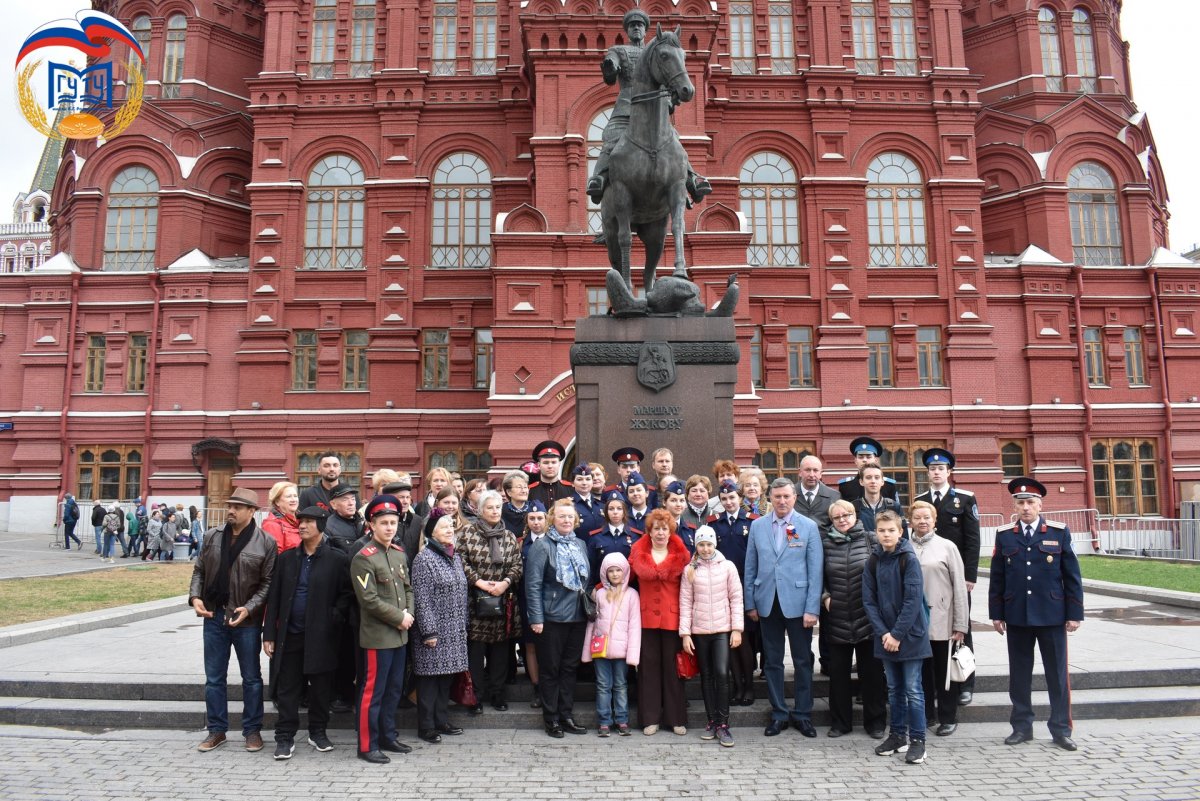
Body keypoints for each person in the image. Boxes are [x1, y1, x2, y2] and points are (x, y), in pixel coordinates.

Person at [990, 477, 1084, 751]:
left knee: (1057, 675)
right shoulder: (1005, 534)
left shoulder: (1058, 531)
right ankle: (1022, 727)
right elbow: (998, 577)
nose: (1026, 507)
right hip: (1017, 615)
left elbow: (1072, 576)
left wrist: (1074, 613)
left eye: (1031, 502)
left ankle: (1061, 729)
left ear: (1040, 505)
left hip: (1052, 614)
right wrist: (997, 613)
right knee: (1019, 675)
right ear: (1014, 506)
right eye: (1021, 503)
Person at [585, 9, 710, 207]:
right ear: (627, 30)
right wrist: (610, 67)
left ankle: (691, 180)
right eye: (632, 25)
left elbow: (669, 78)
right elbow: (610, 77)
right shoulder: (619, 51)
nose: (636, 28)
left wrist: (672, 97)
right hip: (626, 108)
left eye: (640, 25)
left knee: (673, 140)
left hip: (654, 111)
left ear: (645, 30)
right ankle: (598, 178)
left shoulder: (658, 52)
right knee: (611, 138)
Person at [189, 487, 275, 753]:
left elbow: (268, 583)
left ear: (252, 511)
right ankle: (217, 730)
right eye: (230, 505)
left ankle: (252, 731)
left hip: (246, 622)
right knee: (214, 678)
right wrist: (195, 597)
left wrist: (249, 609)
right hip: (214, 616)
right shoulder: (211, 536)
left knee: (251, 678)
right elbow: (199, 571)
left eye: (237, 507)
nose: (230, 510)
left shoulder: (265, 542)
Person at [263, 505, 353, 760]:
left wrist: (334, 617)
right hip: (290, 636)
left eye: (308, 522)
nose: (301, 525)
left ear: (321, 526)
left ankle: (318, 731)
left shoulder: (337, 559)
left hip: (322, 637)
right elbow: (275, 598)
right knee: (288, 689)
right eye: (300, 521)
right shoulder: (287, 559)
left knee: (321, 688)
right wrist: (268, 634)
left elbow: (346, 595)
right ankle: (284, 737)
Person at [743, 477, 823, 738]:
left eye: (786, 496)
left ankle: (802, 714)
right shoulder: (757, 526)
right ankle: (778, 713)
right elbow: (750, 566)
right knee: (773, 663)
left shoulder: (808, 527)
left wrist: (813, 608)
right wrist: (751, 602)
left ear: (794, 497)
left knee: (802, 661)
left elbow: (815, 569)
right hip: (767, 603)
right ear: (770, 498)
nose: (782, 501)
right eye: (777, 497)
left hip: (798, 604)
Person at [350, 495, 417, 763]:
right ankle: (367, 745)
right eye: (384, 523)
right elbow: (368, 600)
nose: (390, 528)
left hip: (400, 635)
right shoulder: (363, 558)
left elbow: (408, 589)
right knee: (372, 693)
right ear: (371, 525)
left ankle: (388, 736)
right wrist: (399, 618)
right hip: (378, 637)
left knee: (393, 689)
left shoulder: (399, 554)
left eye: (393, 523)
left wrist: (409, 615)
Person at [863, 510, 931, 764]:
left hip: (910, 636)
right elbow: (868, 600)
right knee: (894, 689)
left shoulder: (908, 559)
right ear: (876, 533)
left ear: (900, 532)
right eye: (882, 531)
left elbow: (913, 601)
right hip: (885, 638)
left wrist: (897, 634)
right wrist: (884, 633)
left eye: (891, 530)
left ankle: (918, 741)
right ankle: (897, 735)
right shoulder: (874, 560)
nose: (886, 534)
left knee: (913, 690)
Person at [913, 447, 981, 705]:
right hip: (931, 577)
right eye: (932, 469)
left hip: (958, 576)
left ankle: (965, 682)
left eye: (941, 468)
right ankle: (932, 683)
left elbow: (973, 541)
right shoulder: (921, 499)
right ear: (928, 473)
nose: (937, 472)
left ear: (949, 472)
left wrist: (970, 577)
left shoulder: (964, 498)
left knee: (962, 629)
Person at [820, 499, 886, 738]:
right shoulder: (824, 543)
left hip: (868, 617)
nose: (843, 520)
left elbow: (884, 573)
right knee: (838, 675)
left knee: (872, 674)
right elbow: (816, 576)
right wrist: (825, 596)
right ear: (832, 521)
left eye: (846, 514)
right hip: (837, 617)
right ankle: (840, 723)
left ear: (855, 515)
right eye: (837, 517)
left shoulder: (871, 539)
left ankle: (876, 723)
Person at [525, 499, 591, 737]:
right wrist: (536, 618)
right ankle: (551, 718)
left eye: (570, 517)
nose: (566, 520)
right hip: (551, 618)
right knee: (550, 669)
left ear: (575, 520)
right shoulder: (542, 546)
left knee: (569, 668)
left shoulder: (581, 544)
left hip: (577, 617)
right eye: (561, 516)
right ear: (552, 518)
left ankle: (567, 715)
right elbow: (532, 585)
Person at [627, 509, 690, 736]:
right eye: (657, 529)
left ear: (670, 530)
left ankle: (676, 718)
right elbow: (624, 578)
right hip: (646, 620)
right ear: (650, 531)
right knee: (648, 670)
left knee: (674, 670)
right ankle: (650, 718)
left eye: (664, 528)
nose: (661, 533)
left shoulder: (682, 554)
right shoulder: (638, 552)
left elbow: (690, 588)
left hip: (673, 619)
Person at [679, 525, 743, 747]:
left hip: (722, 630)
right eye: (701, 545)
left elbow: (736, 597)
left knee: (721, 674)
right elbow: (685, 602)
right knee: (706, 676)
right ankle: (711, 721)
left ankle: (723, 723)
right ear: (696, 546)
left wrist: (736, 629)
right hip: (699, 630)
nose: (705, 549)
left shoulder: (727, 567)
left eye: (708, 544)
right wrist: (685, 633)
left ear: (715, 544)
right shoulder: (690, 569)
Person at [459, 490, 523, 713]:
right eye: (490, 508)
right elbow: (461, 562)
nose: (495, 511)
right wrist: (480, 582)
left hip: (503, 601)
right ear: (480, 510)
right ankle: (475, 697)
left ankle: (497, 694)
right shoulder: (467, 533)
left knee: (500, 652)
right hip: (475, 601)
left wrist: (505, 582)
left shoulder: (509, 536)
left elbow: (517, 565)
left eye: (498, 507)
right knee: (476, 653)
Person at [909, 499, 969, 736]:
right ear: (910, 521)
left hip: (942, 620)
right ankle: (925, 715)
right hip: (914, 621)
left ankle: (948, 716)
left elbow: (960, 588)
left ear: (934, 521)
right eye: (917, 518)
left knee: (944, 673)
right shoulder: (904, 546)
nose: (922, 521)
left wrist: (961, 624)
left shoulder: (947, 547)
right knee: (921, 672)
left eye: (927, 517)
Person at [411, 510, 470, 744]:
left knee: (445, 678)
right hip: (433, 631)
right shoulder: (424, 559)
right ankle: (426, 726)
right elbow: (422, 598)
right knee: (428, 681)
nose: (450, 529)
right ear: (431, 531)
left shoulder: (454, 557)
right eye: (444, 526)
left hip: (454, 629)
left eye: (451, 526)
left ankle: (441, 720)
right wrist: (428, 631)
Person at [709, 480, 758, 705]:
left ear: (740, 498)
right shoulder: (714, 525)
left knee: (744, 640)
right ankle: (736, 686)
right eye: (724, 499)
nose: (729, 502)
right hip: (721, 590)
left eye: (732, 498)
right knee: (729, 641)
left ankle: (748, 686)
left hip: (746, 589)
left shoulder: (753, 523)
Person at [581, 552, 641, 737]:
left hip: (621, 651)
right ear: (605, 573)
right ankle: (604, 721)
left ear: (625, 572)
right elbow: (592, 622)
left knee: (621, 685)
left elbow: (635, 626)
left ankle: (622, 719)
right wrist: (586, 651)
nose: (615, 574)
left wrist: (633, 654)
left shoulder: (631, 595)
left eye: (618, 570)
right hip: (601, 650)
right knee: (602, 685)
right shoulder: (598, 594)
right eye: (611, 571)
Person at [518, 500, 549, 708]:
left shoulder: (553, 541)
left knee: (549, 647)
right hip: (526, 599)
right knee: (530, 645)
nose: (536, 522)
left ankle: (548, 685)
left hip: (549, 600)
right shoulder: (522, 543)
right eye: (532, 518)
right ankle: (536, 687)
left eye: (540, 518)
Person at [585, 490, 639, 587]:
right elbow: (591, 567)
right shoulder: (596, 537)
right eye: (611, 509)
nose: (615, 512)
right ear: (606, 512)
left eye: (619, 509)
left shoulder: (635, 536)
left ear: (624, 512)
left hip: (630, 589)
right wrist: (591, 588)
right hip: (602, 588)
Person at [838, 437, 899, 502]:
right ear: (855, 461)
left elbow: (895, 510)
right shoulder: (845, 486)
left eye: (868, 457)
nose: (864, 460)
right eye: (861, 457)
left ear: (876, 460)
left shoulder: (888, 485)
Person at [853, 464, 904, 535]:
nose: (873, 481)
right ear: (861, 482)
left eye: (877, 477)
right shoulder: (853, 508)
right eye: (868, 477)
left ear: (882, 482)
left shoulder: (894, 507)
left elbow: (904, 539)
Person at [795, 455, 840, 531]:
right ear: (800, 472)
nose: (812, 475)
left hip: (824, 542)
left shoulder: (834, 496)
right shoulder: (788, 495)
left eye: (815, 470)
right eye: (808, 470)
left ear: (821, 473)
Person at [528, 440, 573, 509]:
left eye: (554, 462)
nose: (550, 466)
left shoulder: (571, 489)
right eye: (546, 462)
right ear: (539, 465)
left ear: (559, 464)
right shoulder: (530, 491)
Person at [262, 481, 301, 554]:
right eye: (288, 496)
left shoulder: (302, 520)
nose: (293, 500)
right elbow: (275, 556)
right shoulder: (272, 524)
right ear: (277, 502)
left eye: (295, 496)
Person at [323, 484, 362, 553]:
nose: (351, 503)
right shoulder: (328, 527)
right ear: (333, 504)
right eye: (345, 500)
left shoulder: (363, 521)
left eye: (353, 499)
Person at [659, 480, 695, 552]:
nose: (678, 504)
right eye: (673, 500)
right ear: (664, 502)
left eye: (682, 500)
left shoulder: (691, 530)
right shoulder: (656, 527)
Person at [569, 464, 602, 536]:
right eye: (579, 479)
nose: (584, 483)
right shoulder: (568, 505)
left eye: (588, 479)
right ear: (572, 483)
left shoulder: (601, 505)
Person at [501, 470, 532, 536]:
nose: (523, 491)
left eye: (525, 487)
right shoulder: (500, 511)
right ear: (509, 492)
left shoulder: (534, 509)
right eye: (519, 487)